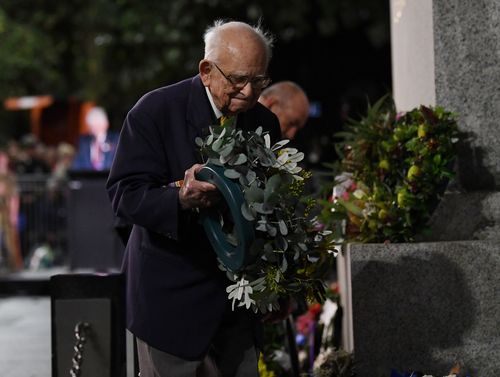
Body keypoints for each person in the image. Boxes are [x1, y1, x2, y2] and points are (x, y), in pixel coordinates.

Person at [106, 20, 281, 377]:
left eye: (259, 82)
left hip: (238, 305)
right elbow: (124, 195)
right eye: (237, 80)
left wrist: (277, 278)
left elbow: (275, 204)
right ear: (206, 71)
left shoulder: (264, 121)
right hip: (170, 298)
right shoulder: (154, 111)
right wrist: (180, 199)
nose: (248, 93)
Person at [71, 106, 119, 171]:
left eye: (98, 125)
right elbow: (76, 166)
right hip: (88, 179)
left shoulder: (116, 140)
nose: (95, 129)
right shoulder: (83, 142)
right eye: (92, 126)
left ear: (106, 124)